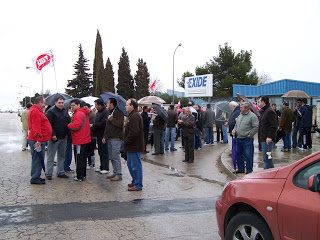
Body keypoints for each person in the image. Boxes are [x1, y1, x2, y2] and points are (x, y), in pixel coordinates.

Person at [27, 96, 52, 184]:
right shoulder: (35, 111)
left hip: (37, 139)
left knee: (37, 158)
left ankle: (36, 175)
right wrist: (38, 140)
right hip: (37, 140)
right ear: (40, 103)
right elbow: (36, 126)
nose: (44, 105)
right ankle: (35, 178)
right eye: (44, 103)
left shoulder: (36, 111)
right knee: (37, 159)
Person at [45, 97, 70, 180]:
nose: (61, 104)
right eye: (59, 102)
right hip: (54, 138)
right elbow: (48, 125)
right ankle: (49, 173)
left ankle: (60, 172)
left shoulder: (65, 112)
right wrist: (53, 134)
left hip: (63, 138)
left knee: (62, 156)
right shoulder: (51, 112)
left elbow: (67, 123)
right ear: (55, 103)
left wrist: (67, 133)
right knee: (51, 156)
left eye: (62, 102)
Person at [68, 99, 91, 182]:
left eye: (73, 105)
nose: (72, 107)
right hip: (84, 138)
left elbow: (76, 126)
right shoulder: (83, 112)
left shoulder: (78, 114)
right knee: (83, 158)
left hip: (79, 139)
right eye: (71, 106)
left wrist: (69, 125)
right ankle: (83, 175)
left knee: (79, 158)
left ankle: (79, 176)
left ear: (78, 105)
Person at [232, 102, 259, 174]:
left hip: (247, 139)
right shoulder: (240, 115)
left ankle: (249, 170)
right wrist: (234, 129)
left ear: (246, 108)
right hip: (239, 138)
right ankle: (241, 168)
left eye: (241, 107)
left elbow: (256, 127)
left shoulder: (252, 116)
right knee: (238, 154)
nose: (240, 109)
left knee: (248, 155)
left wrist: (250, 135)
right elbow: (236, 124)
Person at [124, 99, 144, 191]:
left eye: (127, 105)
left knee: (136, 165)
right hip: (131, 145)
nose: (125, 106)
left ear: (132, 106)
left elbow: (134, 132)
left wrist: (127, 140)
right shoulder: (132, 115)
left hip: (134, 145)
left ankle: (138, 184)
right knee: (130, 164)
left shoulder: (135, 116)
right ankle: (135, 180)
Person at [102, 98, 124, 181]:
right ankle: (115, 172)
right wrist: (105, 136)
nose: (106, 104)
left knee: (115, 156)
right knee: (111, 156)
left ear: (112, 104)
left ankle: (119, 174)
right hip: (110, 137)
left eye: (108, 103)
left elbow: (120, 124)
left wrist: (111, 119)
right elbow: (107, 126)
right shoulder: (110, 112)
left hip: (116, 138)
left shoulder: (119, 112)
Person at [258, 96, 278, 169]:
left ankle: (266, 173)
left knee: (266, 157)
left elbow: (274, 125)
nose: (258, 103)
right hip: (264, 138)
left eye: (259, 101)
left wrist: (270, 137)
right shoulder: (264, 111)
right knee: (269, 157)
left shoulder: (270, 111)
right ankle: (272, 171)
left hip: (267, 140)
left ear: (263, 102)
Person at [92, 99, 109, 174]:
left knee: (104, 151)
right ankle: (102, 166)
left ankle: (106, 167)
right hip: (98, 134)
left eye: (96, 105)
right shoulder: (99, 112)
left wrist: (94, 125)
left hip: (103, 134)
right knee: (100, 151)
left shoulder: (105, 112)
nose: (95, 107)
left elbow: (104, 123)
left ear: (100, 105)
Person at [84, 103, 96, 169]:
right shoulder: (86, 115)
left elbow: (93, 125)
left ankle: (92, 163)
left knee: (91, 150)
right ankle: (89, 163)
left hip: (92, 135)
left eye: (86, 107)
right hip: (86, 135)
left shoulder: (92, 115)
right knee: (87, 150)